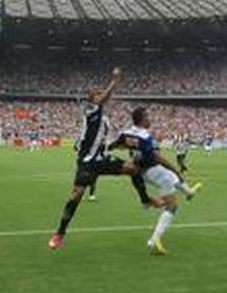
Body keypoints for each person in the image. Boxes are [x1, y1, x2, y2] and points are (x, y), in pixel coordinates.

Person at [47, 68, 150, 251]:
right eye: (98, 94)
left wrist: (122, 145)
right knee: (76, 195)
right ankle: (60, 233)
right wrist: (114, 81)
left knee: (133, 169)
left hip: (101, 159)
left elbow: (110, 141)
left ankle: (145, 200)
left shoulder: (106, 120)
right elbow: (102, 101)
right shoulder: (90, 110)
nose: (101, 96)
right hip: (87, 163)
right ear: (93, 99)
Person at [113, 107, 202, 255]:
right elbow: (158, 157)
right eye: (148, 116)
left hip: (141, 172)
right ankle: (154, 240)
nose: (150, 119)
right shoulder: (145, 136)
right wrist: (177, 170)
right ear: (142, 119)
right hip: (154, 171)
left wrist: (114, 148)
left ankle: (189, 192)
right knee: (172, 205)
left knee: (172, 178)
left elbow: (117, 144)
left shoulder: (126, 133)